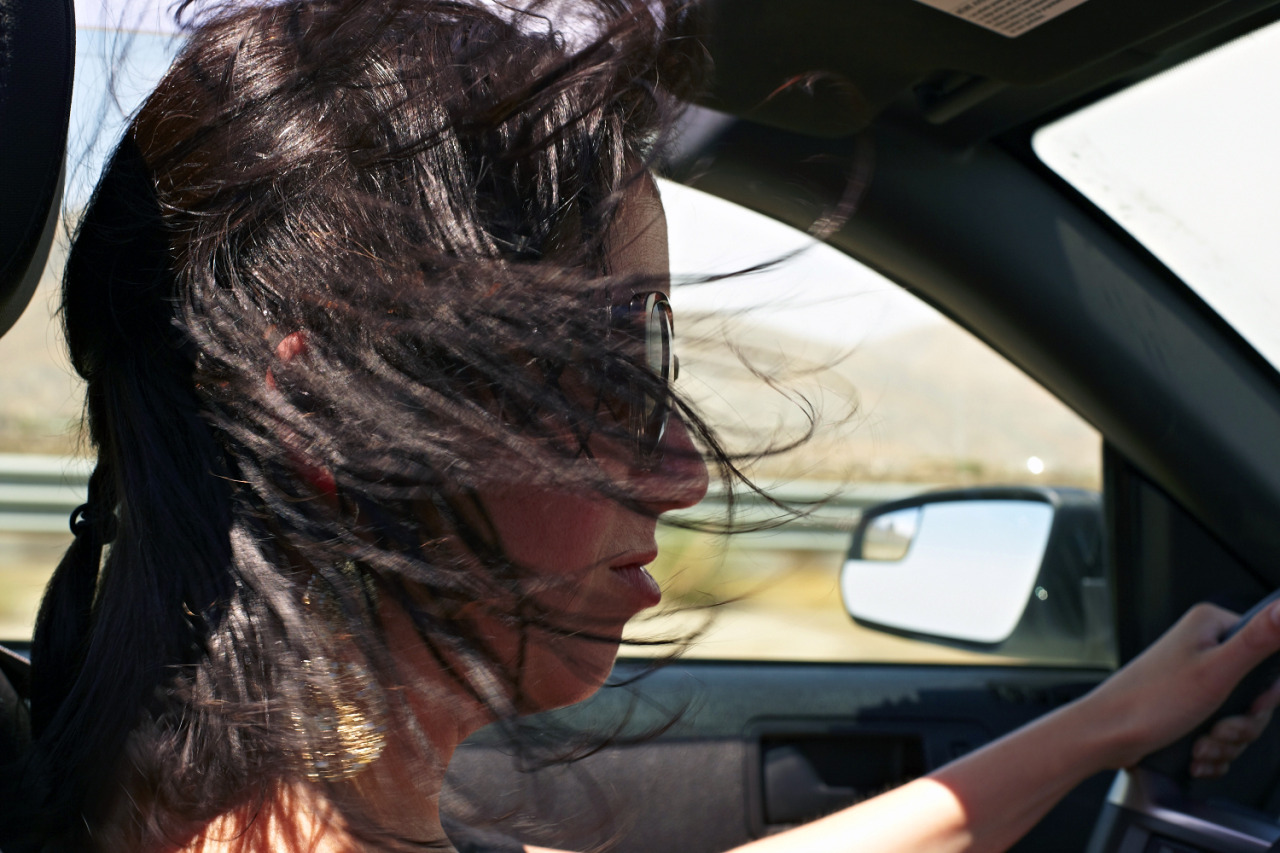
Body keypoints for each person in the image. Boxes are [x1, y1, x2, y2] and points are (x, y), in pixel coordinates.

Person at [3, 1, 1280, 851]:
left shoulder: (155, 790)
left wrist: (1116, 717)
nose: (679, 474)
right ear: (326, 419)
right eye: (603, 365)